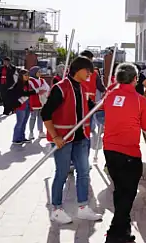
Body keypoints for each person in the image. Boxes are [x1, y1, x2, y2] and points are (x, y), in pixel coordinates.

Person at [41, 56, 103, 224]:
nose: (90, 74)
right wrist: (55, 137)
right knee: (61, 173)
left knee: (83, 172)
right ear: (79, 70)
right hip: (64, 139)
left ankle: (83, 207)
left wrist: (104, 102)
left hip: (80, 138)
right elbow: (45, 113)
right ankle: (57, 209)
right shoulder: (60, 88)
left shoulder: (82, 89)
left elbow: (91, 107)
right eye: (88, 71)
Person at [102, 63, 146, 243]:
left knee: (120, 191)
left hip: (109, 150)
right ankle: (114, 233)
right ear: (135, 79)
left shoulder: (109, 96)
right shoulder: (140, 100)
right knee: (128, 193)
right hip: (128, 152)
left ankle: (123, 232)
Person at [6, 68, 36, 145]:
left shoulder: (28, 84)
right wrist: (31, 92)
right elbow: (23, 93)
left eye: (28, 75)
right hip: (20, 106)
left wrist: (31, 93)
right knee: (19, 122)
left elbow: (28, 93)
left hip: (27, 106)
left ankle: (22, 137)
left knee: (24, 123)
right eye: (25, 75)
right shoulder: (18, 85)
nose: (27, 76)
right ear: (21, 76)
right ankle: (16, 139)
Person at [28, 66, 50, 140]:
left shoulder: (42, 80)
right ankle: (31, 133)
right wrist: (40, 90)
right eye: (38, 72)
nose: (40, 73)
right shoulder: (30, 80)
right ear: (34, 73)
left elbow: (47, 88)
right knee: (33, 117)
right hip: (34, 101)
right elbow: (35, 89)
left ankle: (41, 132)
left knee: (40, 117)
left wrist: (40, 90)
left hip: (42, 102)